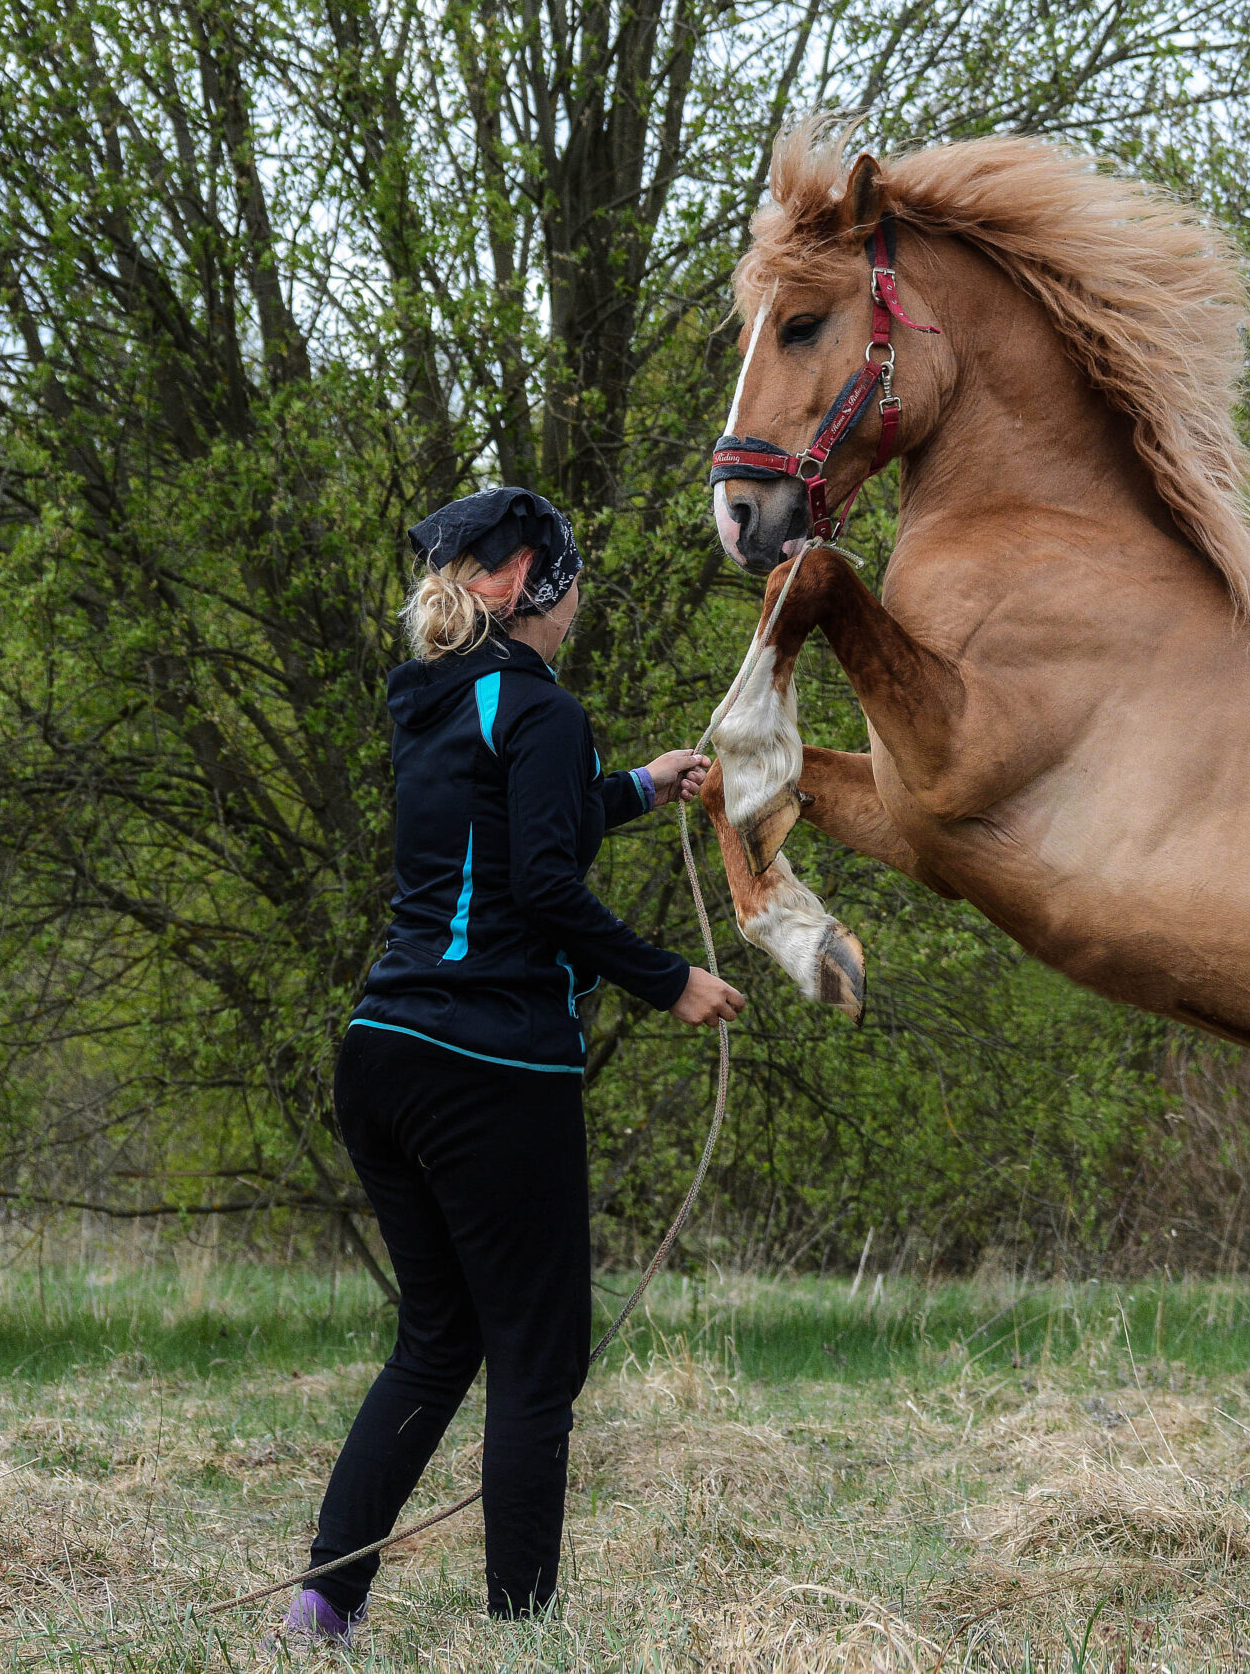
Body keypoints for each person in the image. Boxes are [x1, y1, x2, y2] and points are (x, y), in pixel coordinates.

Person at [281, 487, 743, 1646]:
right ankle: (523, 1637)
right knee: (538, 1361)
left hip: (381, 1057)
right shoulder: (539, 709)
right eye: (574, 572)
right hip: (489, 1067)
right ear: (537, 579)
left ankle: (321, 1610)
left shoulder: (435, 704)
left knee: (440, 1341)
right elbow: (541, 883)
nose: (582, 594)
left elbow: (519, 828)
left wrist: (638, 785)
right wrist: (668, 977)